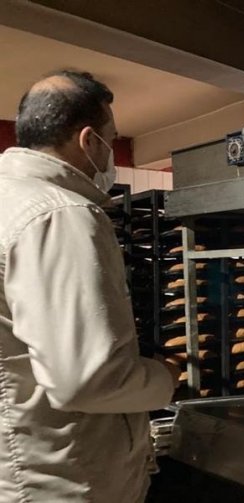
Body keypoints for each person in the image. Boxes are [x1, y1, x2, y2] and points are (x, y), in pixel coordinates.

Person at [0, 70, 180, 502]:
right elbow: (85, 380)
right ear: (88, 140)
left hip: (22, 463)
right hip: (67, 477)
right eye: (111, 138)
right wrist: (164, 376)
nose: (110, 151)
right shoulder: (59, 214)